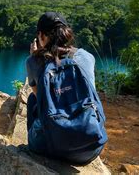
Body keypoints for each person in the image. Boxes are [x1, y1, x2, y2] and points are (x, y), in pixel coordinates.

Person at [25, 12, 105, 164]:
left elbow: (40, 99)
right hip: (90, 149)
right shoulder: (86, 56)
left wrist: (35, 57)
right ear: (66, 33)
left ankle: (35, 150)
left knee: (31, 100)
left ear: (41, 35)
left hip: (50, 147)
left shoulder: (33, 62)